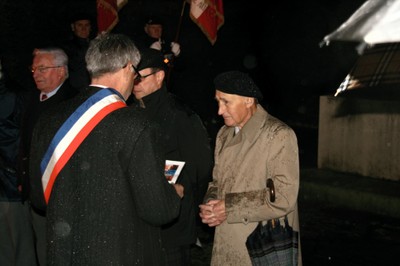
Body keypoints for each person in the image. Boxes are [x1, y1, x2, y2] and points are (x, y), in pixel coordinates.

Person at [29, 33, 183, 265]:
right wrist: (174, 193)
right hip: (121, 255)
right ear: (127, 67)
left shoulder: (49, 119)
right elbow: (158, 210)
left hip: (64, 253)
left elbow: (40, 199)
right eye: (135, 73)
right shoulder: (136, 124)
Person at [199, 70, 302, 265]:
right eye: (218, 102)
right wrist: (211, 203)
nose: (220, 111)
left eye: (226, 102)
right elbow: (217, 182)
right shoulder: (224, 134)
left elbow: (283, 197)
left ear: (248, 100)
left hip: (263, 247)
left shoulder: (278, 135)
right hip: (227, 244)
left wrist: (228, 207)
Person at [131, 48, 213, 266]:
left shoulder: (179, 115)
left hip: (172, 224)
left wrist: (186, 205)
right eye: (133, 76)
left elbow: (200, 168)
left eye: (141, 76)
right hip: (139, 222)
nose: (135, 83)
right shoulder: (130, 112)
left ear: (159, 76)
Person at [17, 47, 78, 265]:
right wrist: (23, 180)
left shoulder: (75, 102)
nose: (36, 74)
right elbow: (24, 144)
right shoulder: (32, 99)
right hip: (35, 195)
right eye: (34, 69)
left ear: (61, 71)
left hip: (64, 196)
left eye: (42, 69)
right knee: (42, 251)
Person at [0, 58, 37, 266]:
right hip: (7, 184)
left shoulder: (10, 98)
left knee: (20, 248)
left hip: (11, 185)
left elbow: (14, 142)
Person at [61, 12, 93, 90]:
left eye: (87, 25)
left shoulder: (94, 43)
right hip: (76, 90)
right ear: (73, 27)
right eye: (80, 25)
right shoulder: (66, 47)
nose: (83, 29)